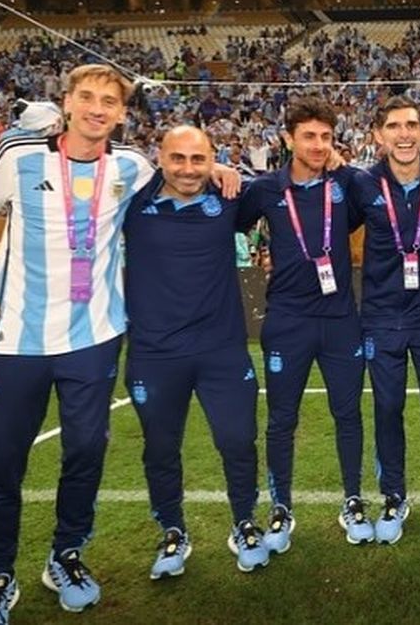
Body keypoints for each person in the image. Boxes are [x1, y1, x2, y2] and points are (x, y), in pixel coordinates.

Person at [0, 64, 157, 625]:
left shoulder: (131, 166)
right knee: (2, 461)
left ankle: (65, 555)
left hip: (94, 338)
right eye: (88, 97)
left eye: (110, 102)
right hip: (16, 338)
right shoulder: (18, 156)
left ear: (122, 114)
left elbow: (178, 174)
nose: (98, 108)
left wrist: (217, 164)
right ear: (68, 102)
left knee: (85, 453)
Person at [121, 125, 268, 577]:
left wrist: (227, 170)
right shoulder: (131, 201)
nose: (188, 168)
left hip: (220, 350)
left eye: (199, 159)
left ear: (213, 160)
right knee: (161, 449)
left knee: (238, 442)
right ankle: (172, 531)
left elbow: (284, 191)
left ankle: (245, 522)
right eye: (178, 158)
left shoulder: (229, 198)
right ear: (159, 159)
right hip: (154, 353)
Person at [236, 96, 375, 553]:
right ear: (288, 138)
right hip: (287, 321)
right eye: (309, 136)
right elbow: (229, 218)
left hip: (339, 320)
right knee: (281, 419)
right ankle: (281, 507)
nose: (318, 145)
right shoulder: (265, 189)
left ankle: (353, 501)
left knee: (348, 414)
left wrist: (345, 164)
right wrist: (222, 173)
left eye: (326, 137)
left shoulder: (346, 184)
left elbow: (382, 183)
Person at [349, 96, 420, 544]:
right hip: (381, 315)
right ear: (379, 134)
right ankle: (394, 494)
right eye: (394, 126)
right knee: (388, 408)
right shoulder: (362, 184)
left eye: (412, 124)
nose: (405, 134)